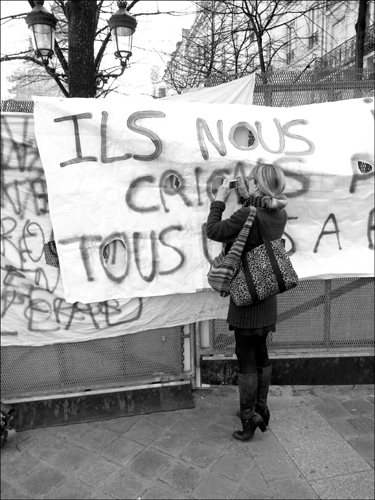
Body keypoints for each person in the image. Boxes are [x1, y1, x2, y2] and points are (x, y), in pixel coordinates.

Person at [206, 163, 288, 442]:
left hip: (246, 295)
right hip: (267, 296)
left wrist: (219, 200)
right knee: (261, 351)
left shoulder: (247, 214)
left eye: (252, 180)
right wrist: (244, 196)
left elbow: (215, 230)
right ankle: (262, 409)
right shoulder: (279, 213)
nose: (249, 183)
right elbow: (258, 215)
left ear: (259, 185)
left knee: (245, 356)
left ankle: (248, 418)